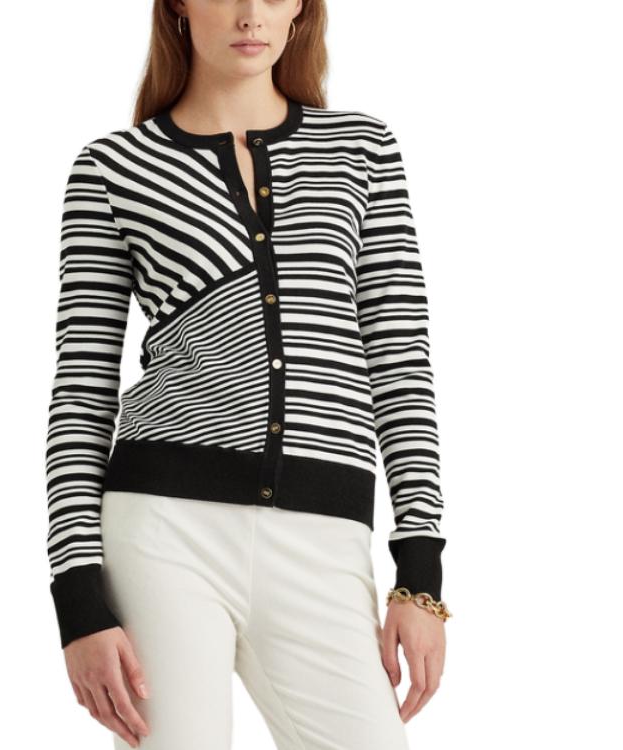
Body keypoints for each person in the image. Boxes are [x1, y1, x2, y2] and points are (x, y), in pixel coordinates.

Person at [44, 1, 451, 748]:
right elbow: (80, 392)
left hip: (324, 536)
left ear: (301, 8)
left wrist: (420, 572)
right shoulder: (112, 168)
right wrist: (77, 600)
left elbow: (400, 361)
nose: (250, 14)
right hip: (162, 528)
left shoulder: (360, 150)